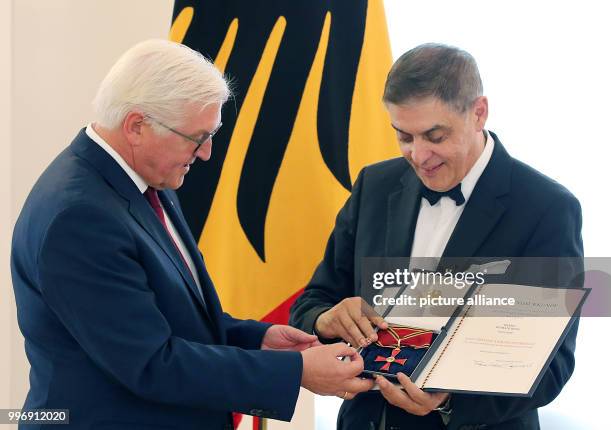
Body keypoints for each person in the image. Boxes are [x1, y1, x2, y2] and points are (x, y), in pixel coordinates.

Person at [10, 39, 373, 430]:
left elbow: (174, 317)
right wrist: (295, 371)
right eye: (197, 137)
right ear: (137, 125)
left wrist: (258, 338)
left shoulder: (148, 179)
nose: (206, 154)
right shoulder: (79, 218)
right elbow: (151, 363)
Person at [290, 43, 583, 430]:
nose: (418, 155)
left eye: (435, 135)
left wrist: (448, 402)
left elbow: (553, 364)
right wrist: (326, 320)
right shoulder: (374, 186)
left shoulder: (547, 208)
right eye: (404, 136)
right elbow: (313, 301)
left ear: (478, 113)